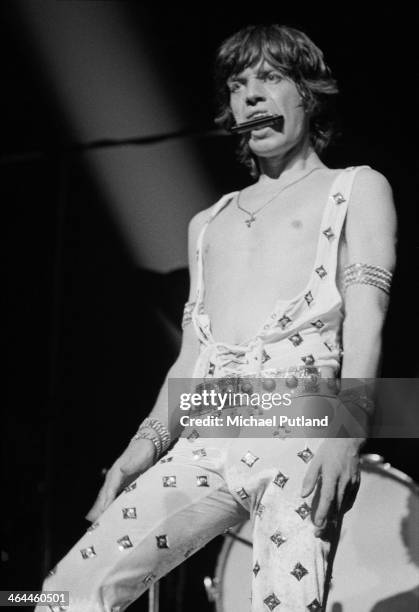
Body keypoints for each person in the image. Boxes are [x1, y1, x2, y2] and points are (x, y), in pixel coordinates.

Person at [38, 24, 397, 612]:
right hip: (204, 435)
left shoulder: (355, 187)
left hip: (301, 424)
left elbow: (367, 316)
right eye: (237, 84)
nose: (250, 96)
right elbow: (192, 355)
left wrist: (347, 430)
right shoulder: (207, 223)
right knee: (60, 594)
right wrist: (142, 448)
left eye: (270, 78)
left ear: (308, 92)